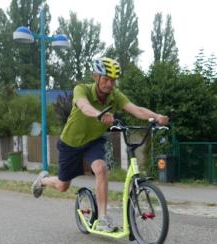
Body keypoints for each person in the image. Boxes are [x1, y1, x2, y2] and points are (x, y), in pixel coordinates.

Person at [31, 57, 169, 232]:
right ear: (95, 76)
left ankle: (103, 218)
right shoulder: (82, 89)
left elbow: (136, 109)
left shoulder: (115, 96)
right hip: (71, 143)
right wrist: (99, 114)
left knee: (101, 169)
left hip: (93, 141)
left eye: (113, 80)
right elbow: (83, 106)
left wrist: (157, 117)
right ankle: (42, 181)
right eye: (106, 79)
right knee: (62, 185)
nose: (110, 84)